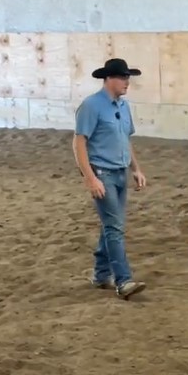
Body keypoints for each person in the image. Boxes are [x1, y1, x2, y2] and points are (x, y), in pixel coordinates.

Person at [72, 58, 148, 300]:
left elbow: (125, 140)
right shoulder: (91, 106)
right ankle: (123, 280)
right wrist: (90, 178)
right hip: (103, 173)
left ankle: (101, 274)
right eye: (123, 78)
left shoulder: (123, 107)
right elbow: (79, 142)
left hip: (119, 173)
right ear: (109, 79)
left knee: (111, 225)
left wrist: (136, 168)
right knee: (114, 227)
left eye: (128, 78)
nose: (127, 83)